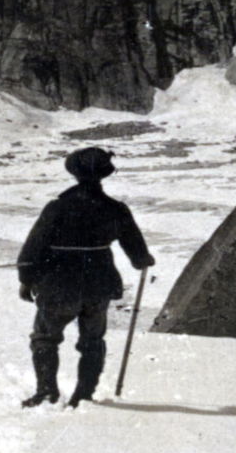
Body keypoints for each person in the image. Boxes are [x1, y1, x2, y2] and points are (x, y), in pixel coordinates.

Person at [17, 147, 154, 408]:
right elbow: (137, 251)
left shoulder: (57, 207)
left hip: (58, 285)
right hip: (99, 285)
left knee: (45, 337)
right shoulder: (116, 209)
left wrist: (26, 279)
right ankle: (83, 395)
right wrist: (142, 260)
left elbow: (33, 248)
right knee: (93, 340)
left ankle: (46, 392)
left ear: (74, 173)